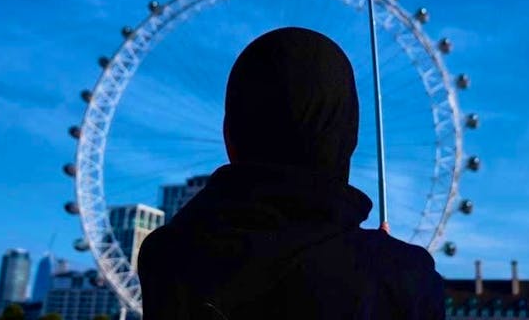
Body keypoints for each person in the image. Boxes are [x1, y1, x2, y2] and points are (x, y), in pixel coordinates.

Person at [138, 27, 444, 319]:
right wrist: (385, 269)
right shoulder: (405, 276)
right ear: (346, 135)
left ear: (230, 133)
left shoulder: (165, 258)